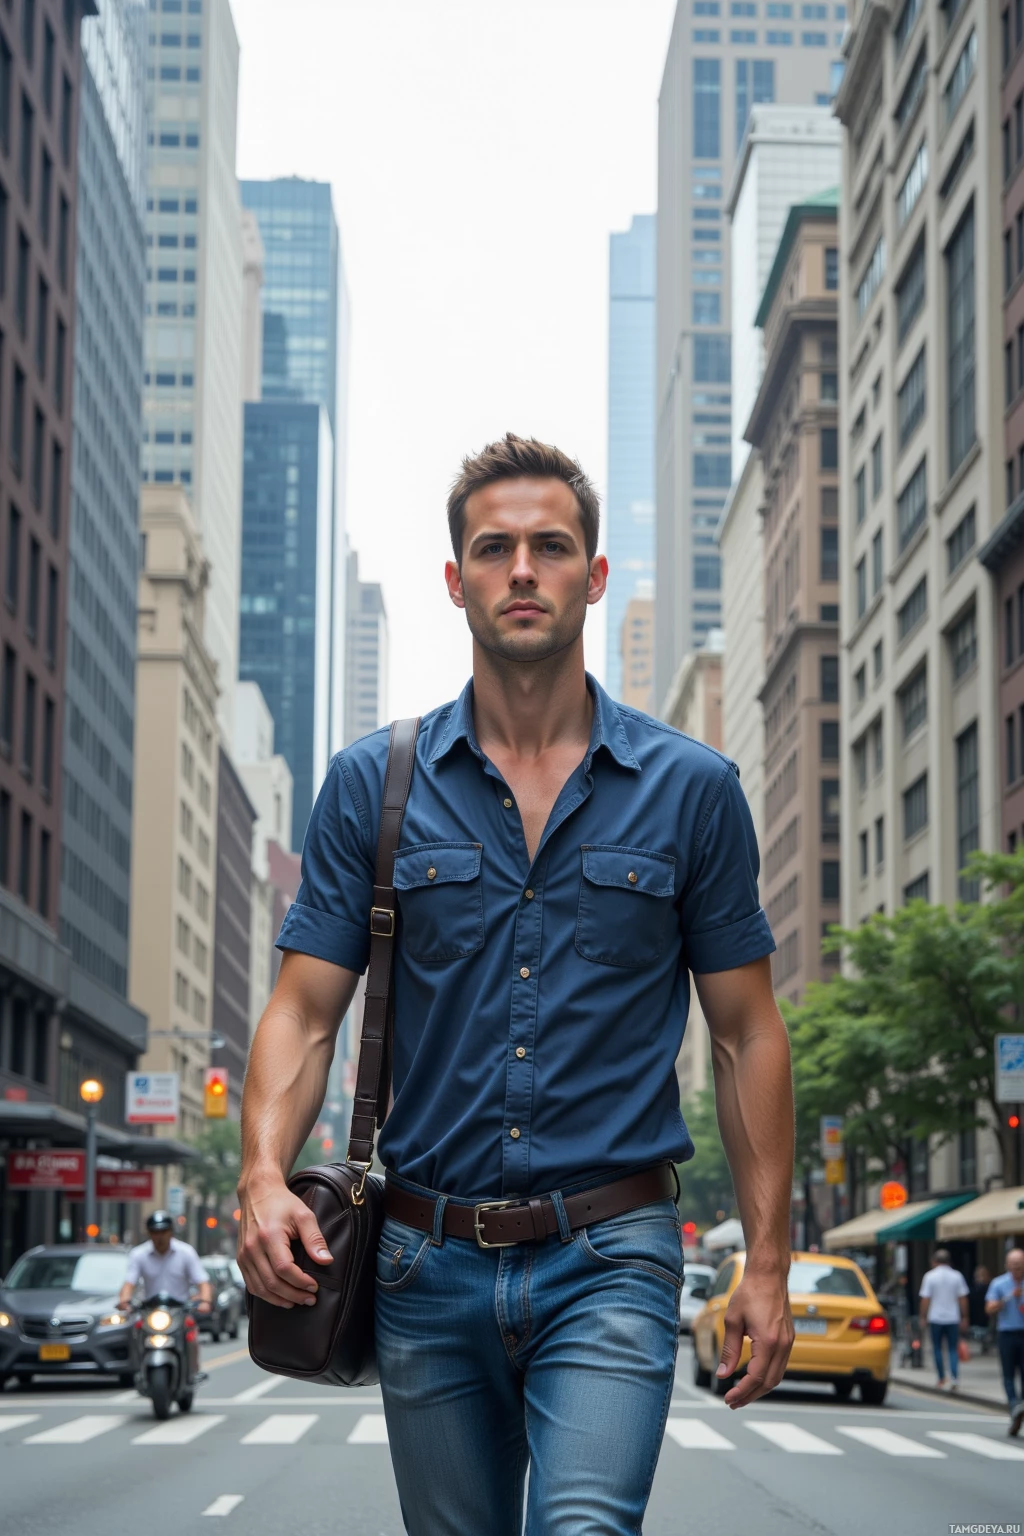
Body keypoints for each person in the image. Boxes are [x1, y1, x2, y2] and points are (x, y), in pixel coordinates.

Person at [238, 435, 795, 1535]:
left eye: (551, 547)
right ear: (457, 581)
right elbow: (304, 1012)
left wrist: (769, 1264)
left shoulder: (692, 790)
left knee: (585, 1525)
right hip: (419, 1260)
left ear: (592, 577)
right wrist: (260, 1174)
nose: (523, 570)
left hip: (612, 1253)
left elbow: (746, 1035)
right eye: (494, 549)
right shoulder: (372, 785)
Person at [118, 1210, 213, 1317]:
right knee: (136, 1329)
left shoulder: (186, 1252)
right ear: (149, 1233)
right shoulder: (138, 1254)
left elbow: (202, 1281)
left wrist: (205, 1301)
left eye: (164, 1231)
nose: (160, 1236)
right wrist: (124, 1301)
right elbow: (129, 1282)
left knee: (190, 1329)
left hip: (180, 1313)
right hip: (150, 1313)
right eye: (155, 1232)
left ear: (171, 1232)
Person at [985, 1247, 1024, 1436]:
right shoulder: (999, 1284)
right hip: (1007, 1334)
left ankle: (1020, 1408)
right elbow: (990, 1308)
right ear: (1007, 1265)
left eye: (1020, 1265)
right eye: (1014, 1265)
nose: (1017, 1269)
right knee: (1008, 1375)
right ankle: (1014, 1406)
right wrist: (1007, 1299)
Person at [919, 1248, 968, 1390]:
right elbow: (963, 1298)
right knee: (953, 1348)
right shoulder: (957, 1276)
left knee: (937, 1348)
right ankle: (954, 1378)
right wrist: (965, 1317)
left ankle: (941, 1377)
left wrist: (923, 1316)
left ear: (935, 1261)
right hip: (953, 1317)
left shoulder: (930, 1276)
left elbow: (925, 1299)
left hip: (935, 1317)